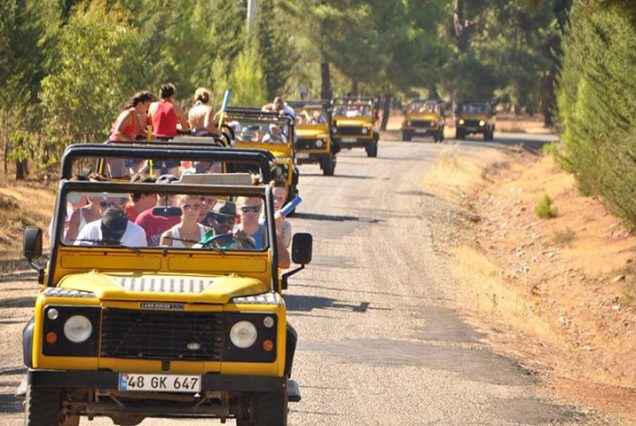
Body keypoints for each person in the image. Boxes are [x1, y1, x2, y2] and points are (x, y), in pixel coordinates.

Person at [233, 197, 290, 268]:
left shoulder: (270, 234)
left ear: (261, 209)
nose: (251, 213)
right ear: (237, 210)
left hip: (260, 276)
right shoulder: (229, 232)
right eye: (245, 209)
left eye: (255, 209)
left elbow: (285, 263)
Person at [134, 174, 181, 246]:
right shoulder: (144, 218)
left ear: (179, 196)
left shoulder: (187, 216)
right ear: (156, 196)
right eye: (161, 194)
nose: (166, 198)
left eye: (171, 194)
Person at [75, 207, 147, 247]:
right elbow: (76, 257)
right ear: (101, 227)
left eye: (115, 236)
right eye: (108, 236)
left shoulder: (137, 233)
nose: (111, 239)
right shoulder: (89, 230)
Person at [265, 179, 292, 248]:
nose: (276, 201)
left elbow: (281, 251)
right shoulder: (253, 216)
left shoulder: (286, 226)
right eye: (273, 197)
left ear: (284, 201)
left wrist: (278, 227)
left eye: (280, 199)